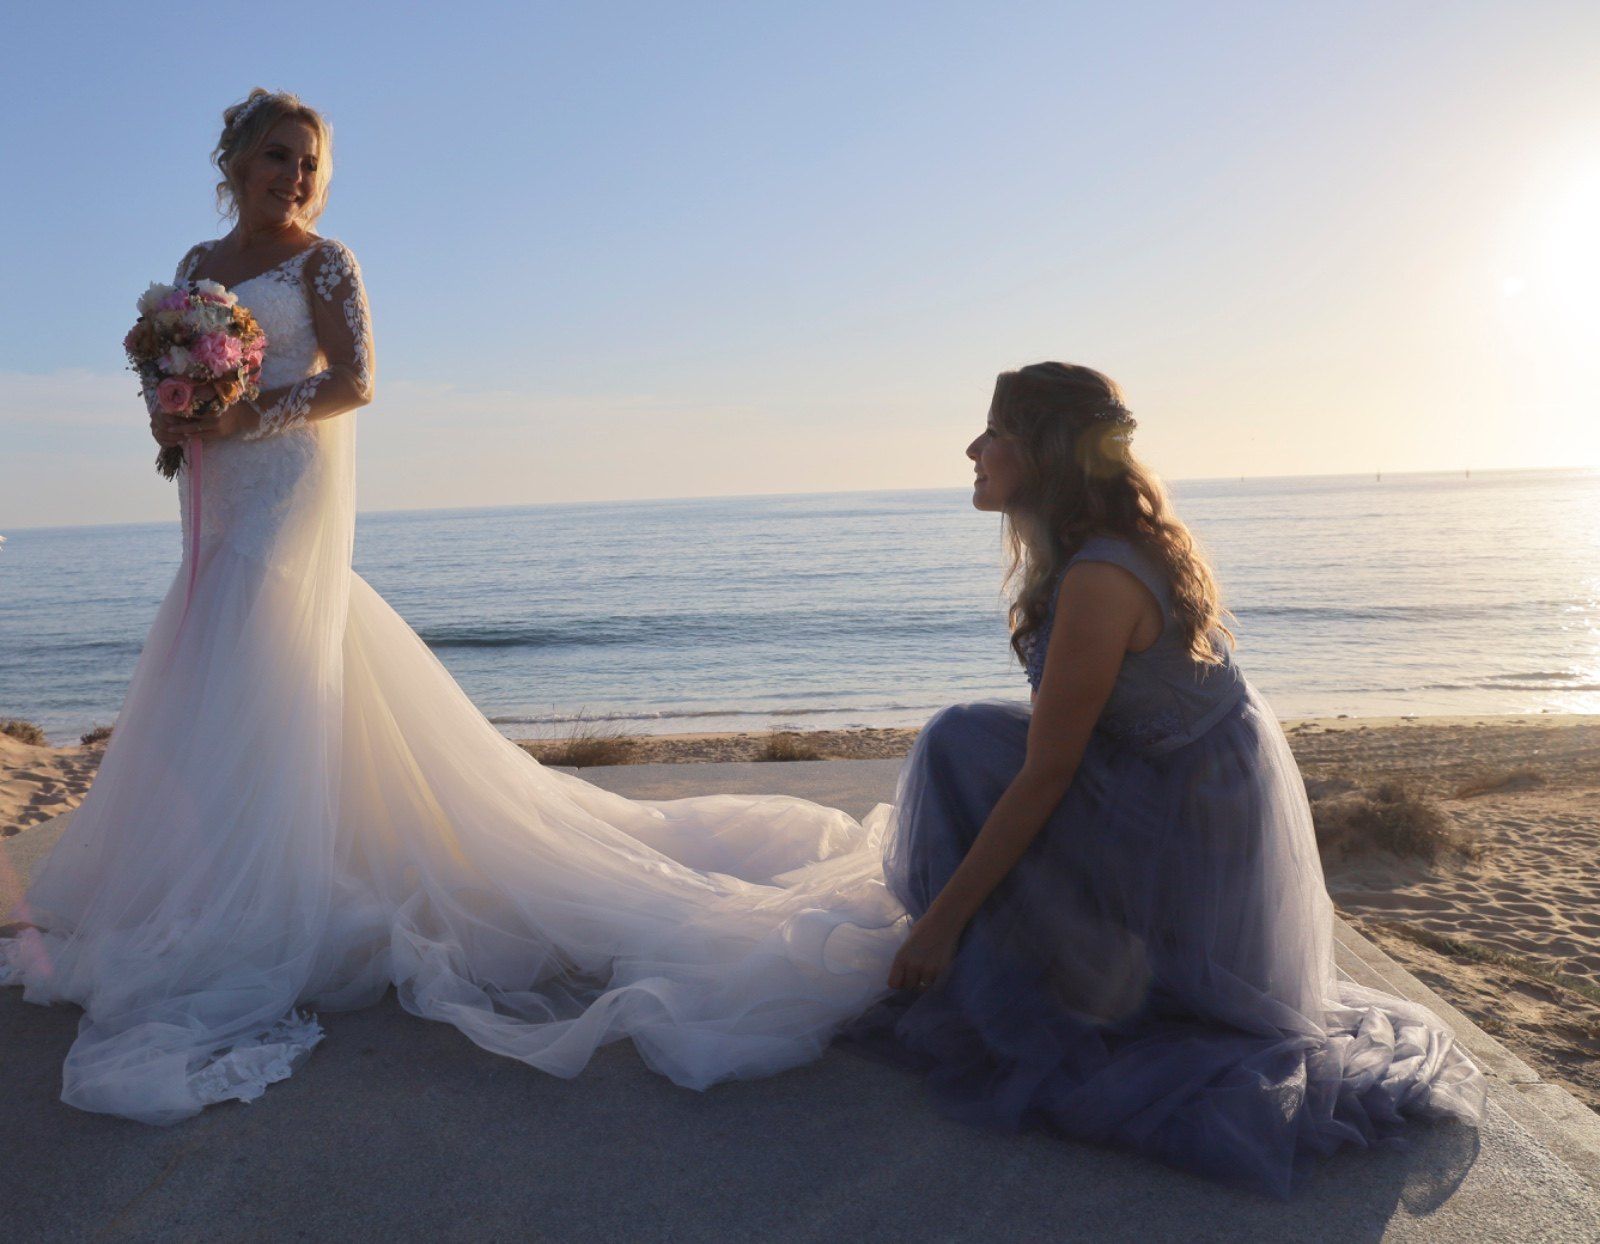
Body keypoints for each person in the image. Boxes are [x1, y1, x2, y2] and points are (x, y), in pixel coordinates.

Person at [0, 90, 903, 1124]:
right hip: (216, 498)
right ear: (236, 159)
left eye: (310, 163)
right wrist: (184, 415)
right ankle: (219, 881)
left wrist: (252, 414)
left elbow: (359, 381)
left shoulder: (326, 261)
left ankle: (268, 895)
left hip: (288, 485)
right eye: (278, 157)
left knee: (271, 655)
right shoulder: (198, 270)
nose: (294, 177)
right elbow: (181, 386)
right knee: (216, 666)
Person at [852, 362, 1486, 1196]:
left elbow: (1047, 775)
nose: (973, 448)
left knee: (960, 752)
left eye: (995, 433)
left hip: (1189, 832)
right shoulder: (1099, 552)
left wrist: (940, 921)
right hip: (1175, 786)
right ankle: (1020, 957)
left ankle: (992, 970)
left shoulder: (1097, 579)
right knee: (964, 738)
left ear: (1041, 452)